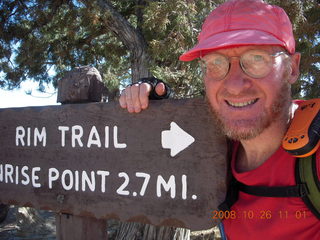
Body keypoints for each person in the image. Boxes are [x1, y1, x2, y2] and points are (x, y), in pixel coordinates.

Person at [119, 0, 320, 239]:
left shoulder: (314, 157)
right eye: (215, 63)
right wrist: (156, 110)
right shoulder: (214, 146)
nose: (234, 85)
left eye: (256, 59)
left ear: (292, 68)